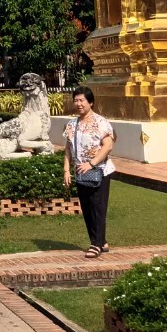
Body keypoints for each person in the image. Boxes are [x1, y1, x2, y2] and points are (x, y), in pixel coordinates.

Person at [63, 85, 115, 259]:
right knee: (87, 207)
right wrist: (66, 170)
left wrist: (91, 163)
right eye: (76, 100)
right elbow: (68, 148)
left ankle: (96, 244)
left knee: (98, 207)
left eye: (82, 100)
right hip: (80, 171)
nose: (78, 104)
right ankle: (101, 240)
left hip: (100, 170)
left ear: (90, 102)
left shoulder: (101, 122)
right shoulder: (72, 124)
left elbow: (108, 146)